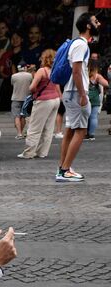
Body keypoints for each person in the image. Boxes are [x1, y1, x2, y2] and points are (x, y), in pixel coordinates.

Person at [57, 12, 100, 183]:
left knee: (70, 131)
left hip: (71, 92)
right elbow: (76, 70)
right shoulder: (81, 45)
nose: (99, 23)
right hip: (76, 93)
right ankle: (65, 170)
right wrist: (83, 94)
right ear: (88, 26)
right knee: (81, 131)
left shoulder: (77, 43)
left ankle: (63, 167)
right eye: (96, 21)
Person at [18, 49, 60, 159]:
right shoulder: (55, 70)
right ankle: (42, 152)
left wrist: (33, 88)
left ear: (44, 58)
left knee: (34, 128)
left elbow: (32, 87)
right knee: (48, 128)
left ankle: (28, 153)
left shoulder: (42, 71)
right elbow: (57, 86)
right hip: (55, 99)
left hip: (44, 101)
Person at [86, 60, 107, 141]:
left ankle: (84, 133)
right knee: (94, 117)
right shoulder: (97, 76)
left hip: (86, 97)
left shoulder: (84, 75)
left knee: (85, 116)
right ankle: (92, 134)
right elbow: (106, 84)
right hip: (95, 98)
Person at [10, 65, 33, 139]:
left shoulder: (14, 76)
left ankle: (19, 133)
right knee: (24, 116)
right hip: (26, 98)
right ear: (25, 68)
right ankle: (22, 132)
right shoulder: (29, 76)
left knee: (16, 116)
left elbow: (12, 84)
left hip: (16, 98)